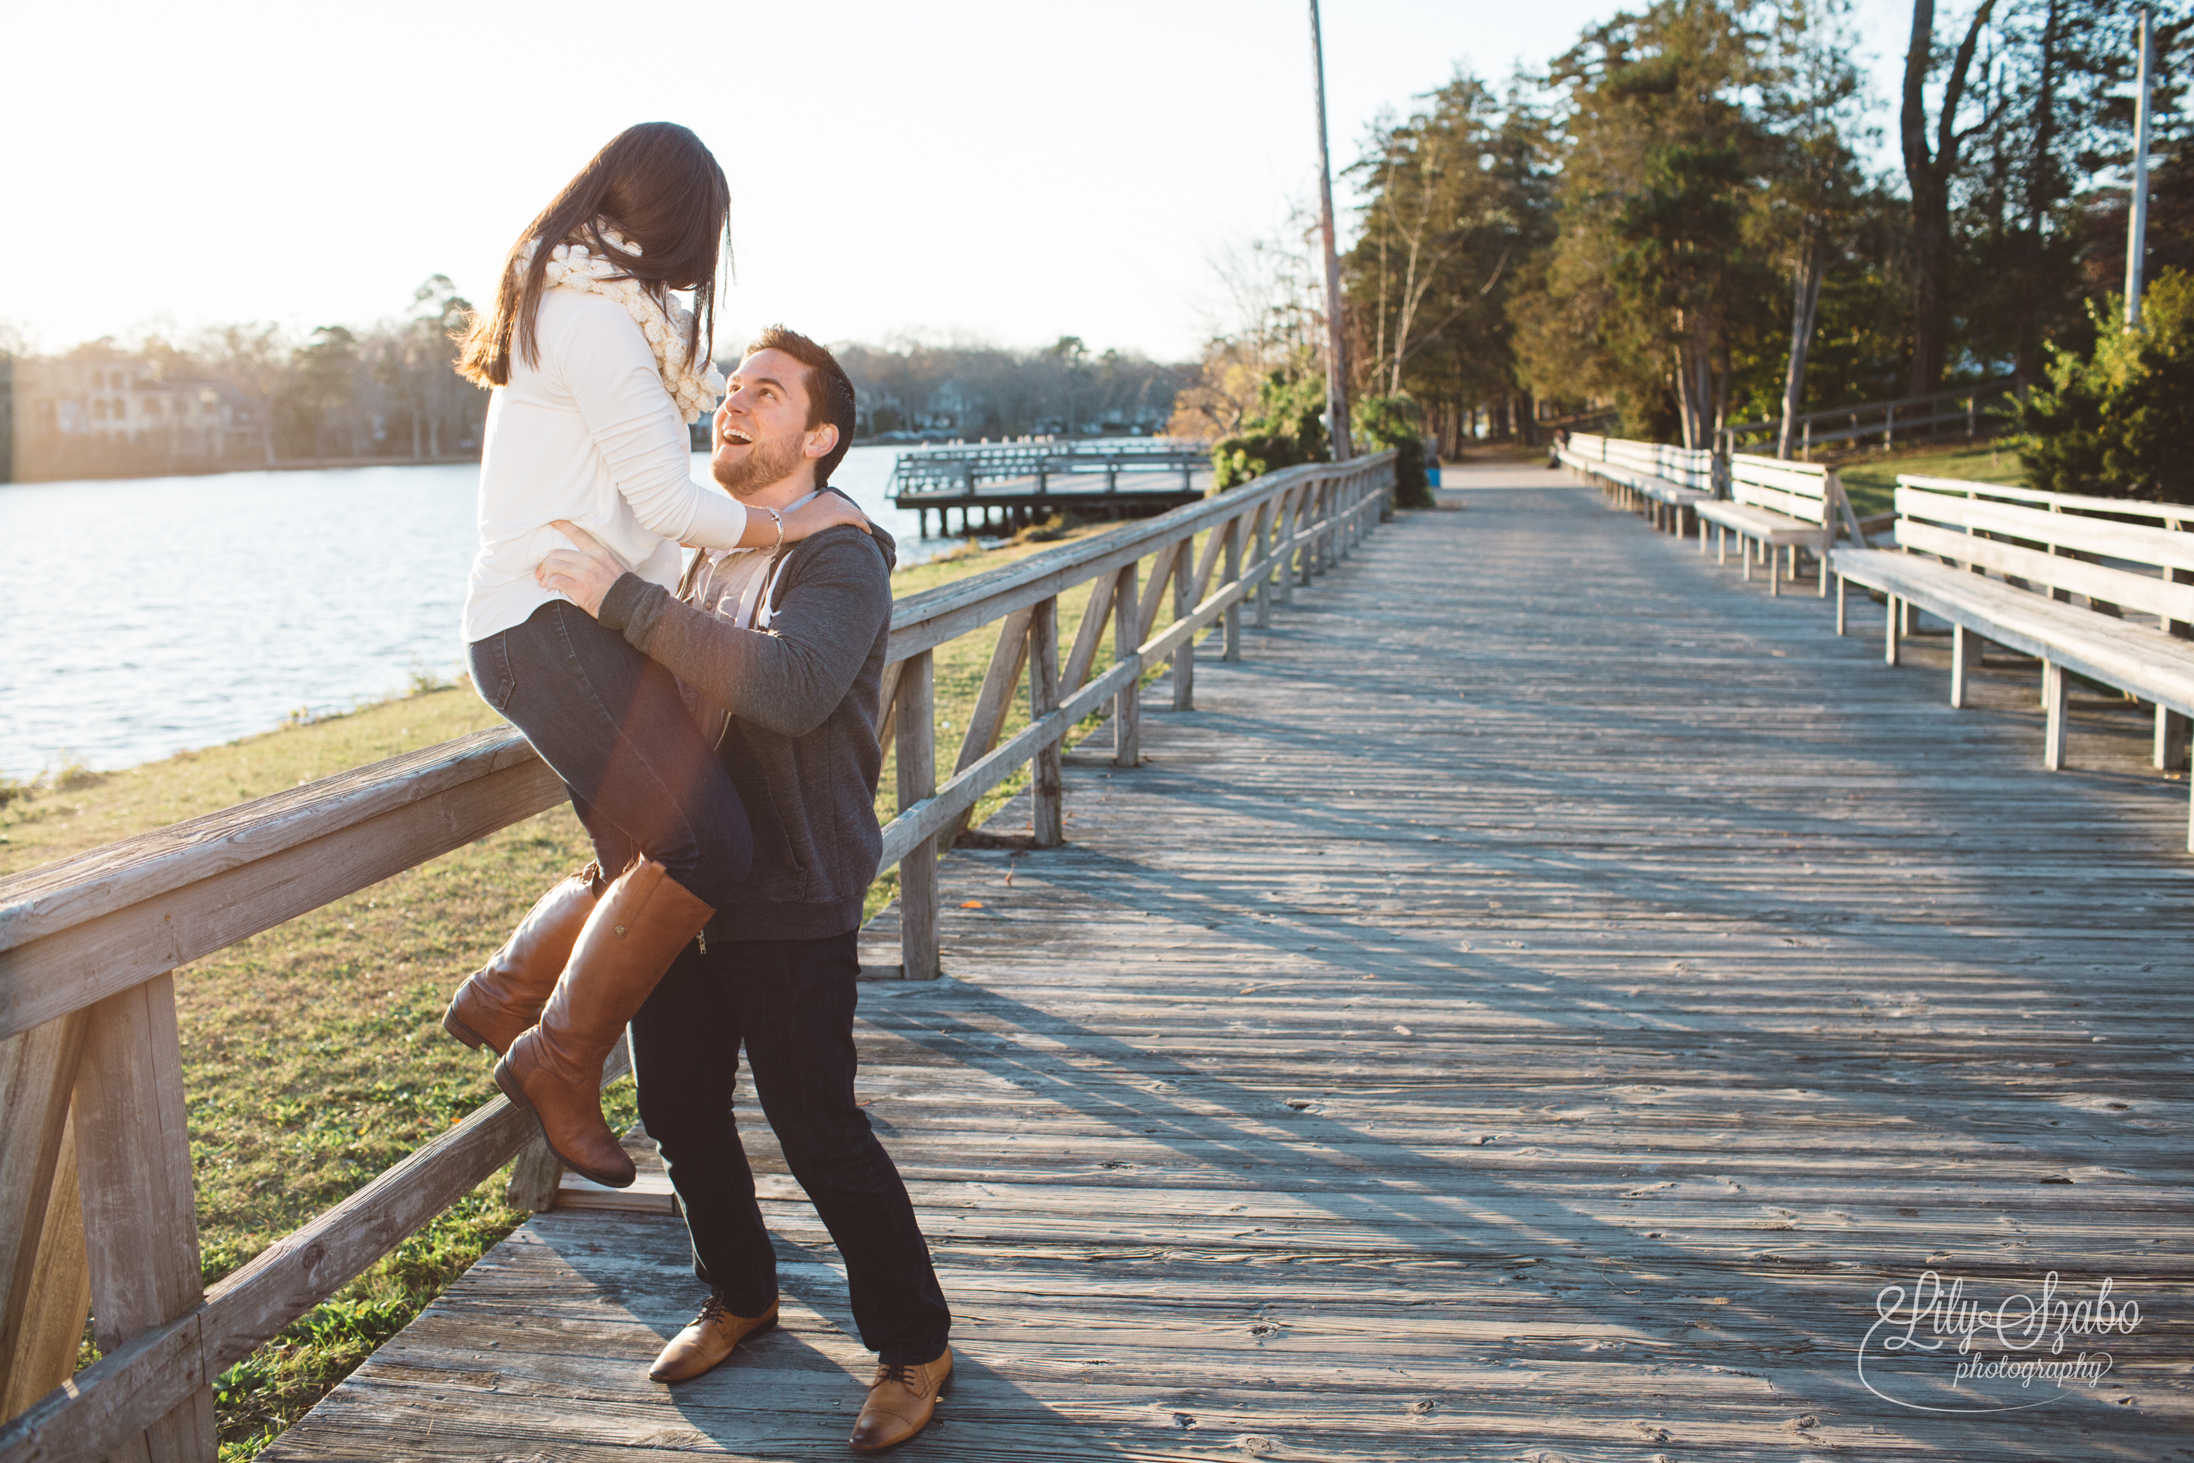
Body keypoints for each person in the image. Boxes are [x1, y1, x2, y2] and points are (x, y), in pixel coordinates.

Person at [536, 327, 952, 1454]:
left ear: (818, 435)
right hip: (674, 887)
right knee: (677, 1111)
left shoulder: (838, 556)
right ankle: (740, 1294)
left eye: (764, 393)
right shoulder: (694, 547)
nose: (733, 405)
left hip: (789, 889)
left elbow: (793, 685)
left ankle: (915, 1346)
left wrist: (620, 599)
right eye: (729, 389)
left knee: (817, 1127)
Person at [445, 123, 870, 1191]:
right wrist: (806, 524)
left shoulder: (594, 307)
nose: (699, 267)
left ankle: (506, 996)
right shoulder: (592, 320)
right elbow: (674, 503)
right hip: (546, 623)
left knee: (652, 853)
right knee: (709, 848)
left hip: (565, 621)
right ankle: (556, 1053)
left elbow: (664, 490)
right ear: (674, 224)